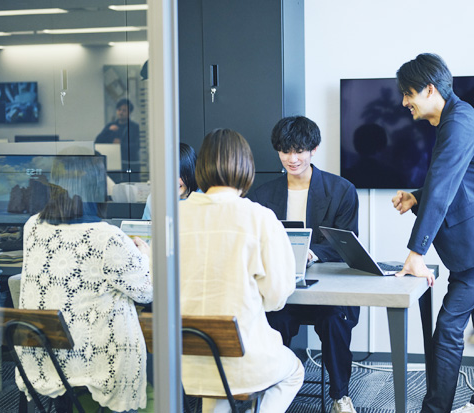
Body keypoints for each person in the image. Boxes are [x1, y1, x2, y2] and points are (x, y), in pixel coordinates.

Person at [392, 53, 474, 413]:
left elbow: (442, 187)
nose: (404, 102)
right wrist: (416, 196)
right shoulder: (455, 119)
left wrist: (416, 252)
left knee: (449, 328)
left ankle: (436, 409)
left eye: (408, 93)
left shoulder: (459, 124)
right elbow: (456, 186)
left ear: (429, 89)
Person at [180, 128, 304, 412]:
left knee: (218, 392)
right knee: (293, 371)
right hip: (245, 360)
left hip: (189, 362)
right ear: (245, 168)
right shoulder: (259, 218)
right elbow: (275, 299)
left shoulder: (173, 217)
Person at [17, 155, 153, 413]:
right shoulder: (106, 236)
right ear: (96, 187)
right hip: (93, 359)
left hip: (44, 354)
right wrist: (145, 256)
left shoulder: (32, 226)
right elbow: (146, 290)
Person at [248, 116, 360, 413]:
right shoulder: (262, 195)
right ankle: (270, 388)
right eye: (285, 151)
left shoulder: (341, 190)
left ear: (314, 149)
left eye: (299, 150)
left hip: (328, 290)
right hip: (283, 289)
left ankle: (340, 396)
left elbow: (347, 246)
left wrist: (312, 252)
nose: (292, 158)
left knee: (336, 319)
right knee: (272, 319)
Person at [142, 142, 198, 219]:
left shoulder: (203, 198)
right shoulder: (155, 199)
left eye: (179, 174)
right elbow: (145, 229)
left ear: (191, 173)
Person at [95, 98, 141, 172]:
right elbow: (97, 141)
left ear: (129, 112)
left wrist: (121, 145)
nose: (121, 112)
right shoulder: (111, 126)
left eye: (124, 110)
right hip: (112, 164)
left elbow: (137, 146)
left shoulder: (134, 127)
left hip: (129, 164)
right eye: (119, 110)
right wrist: (108, 131)